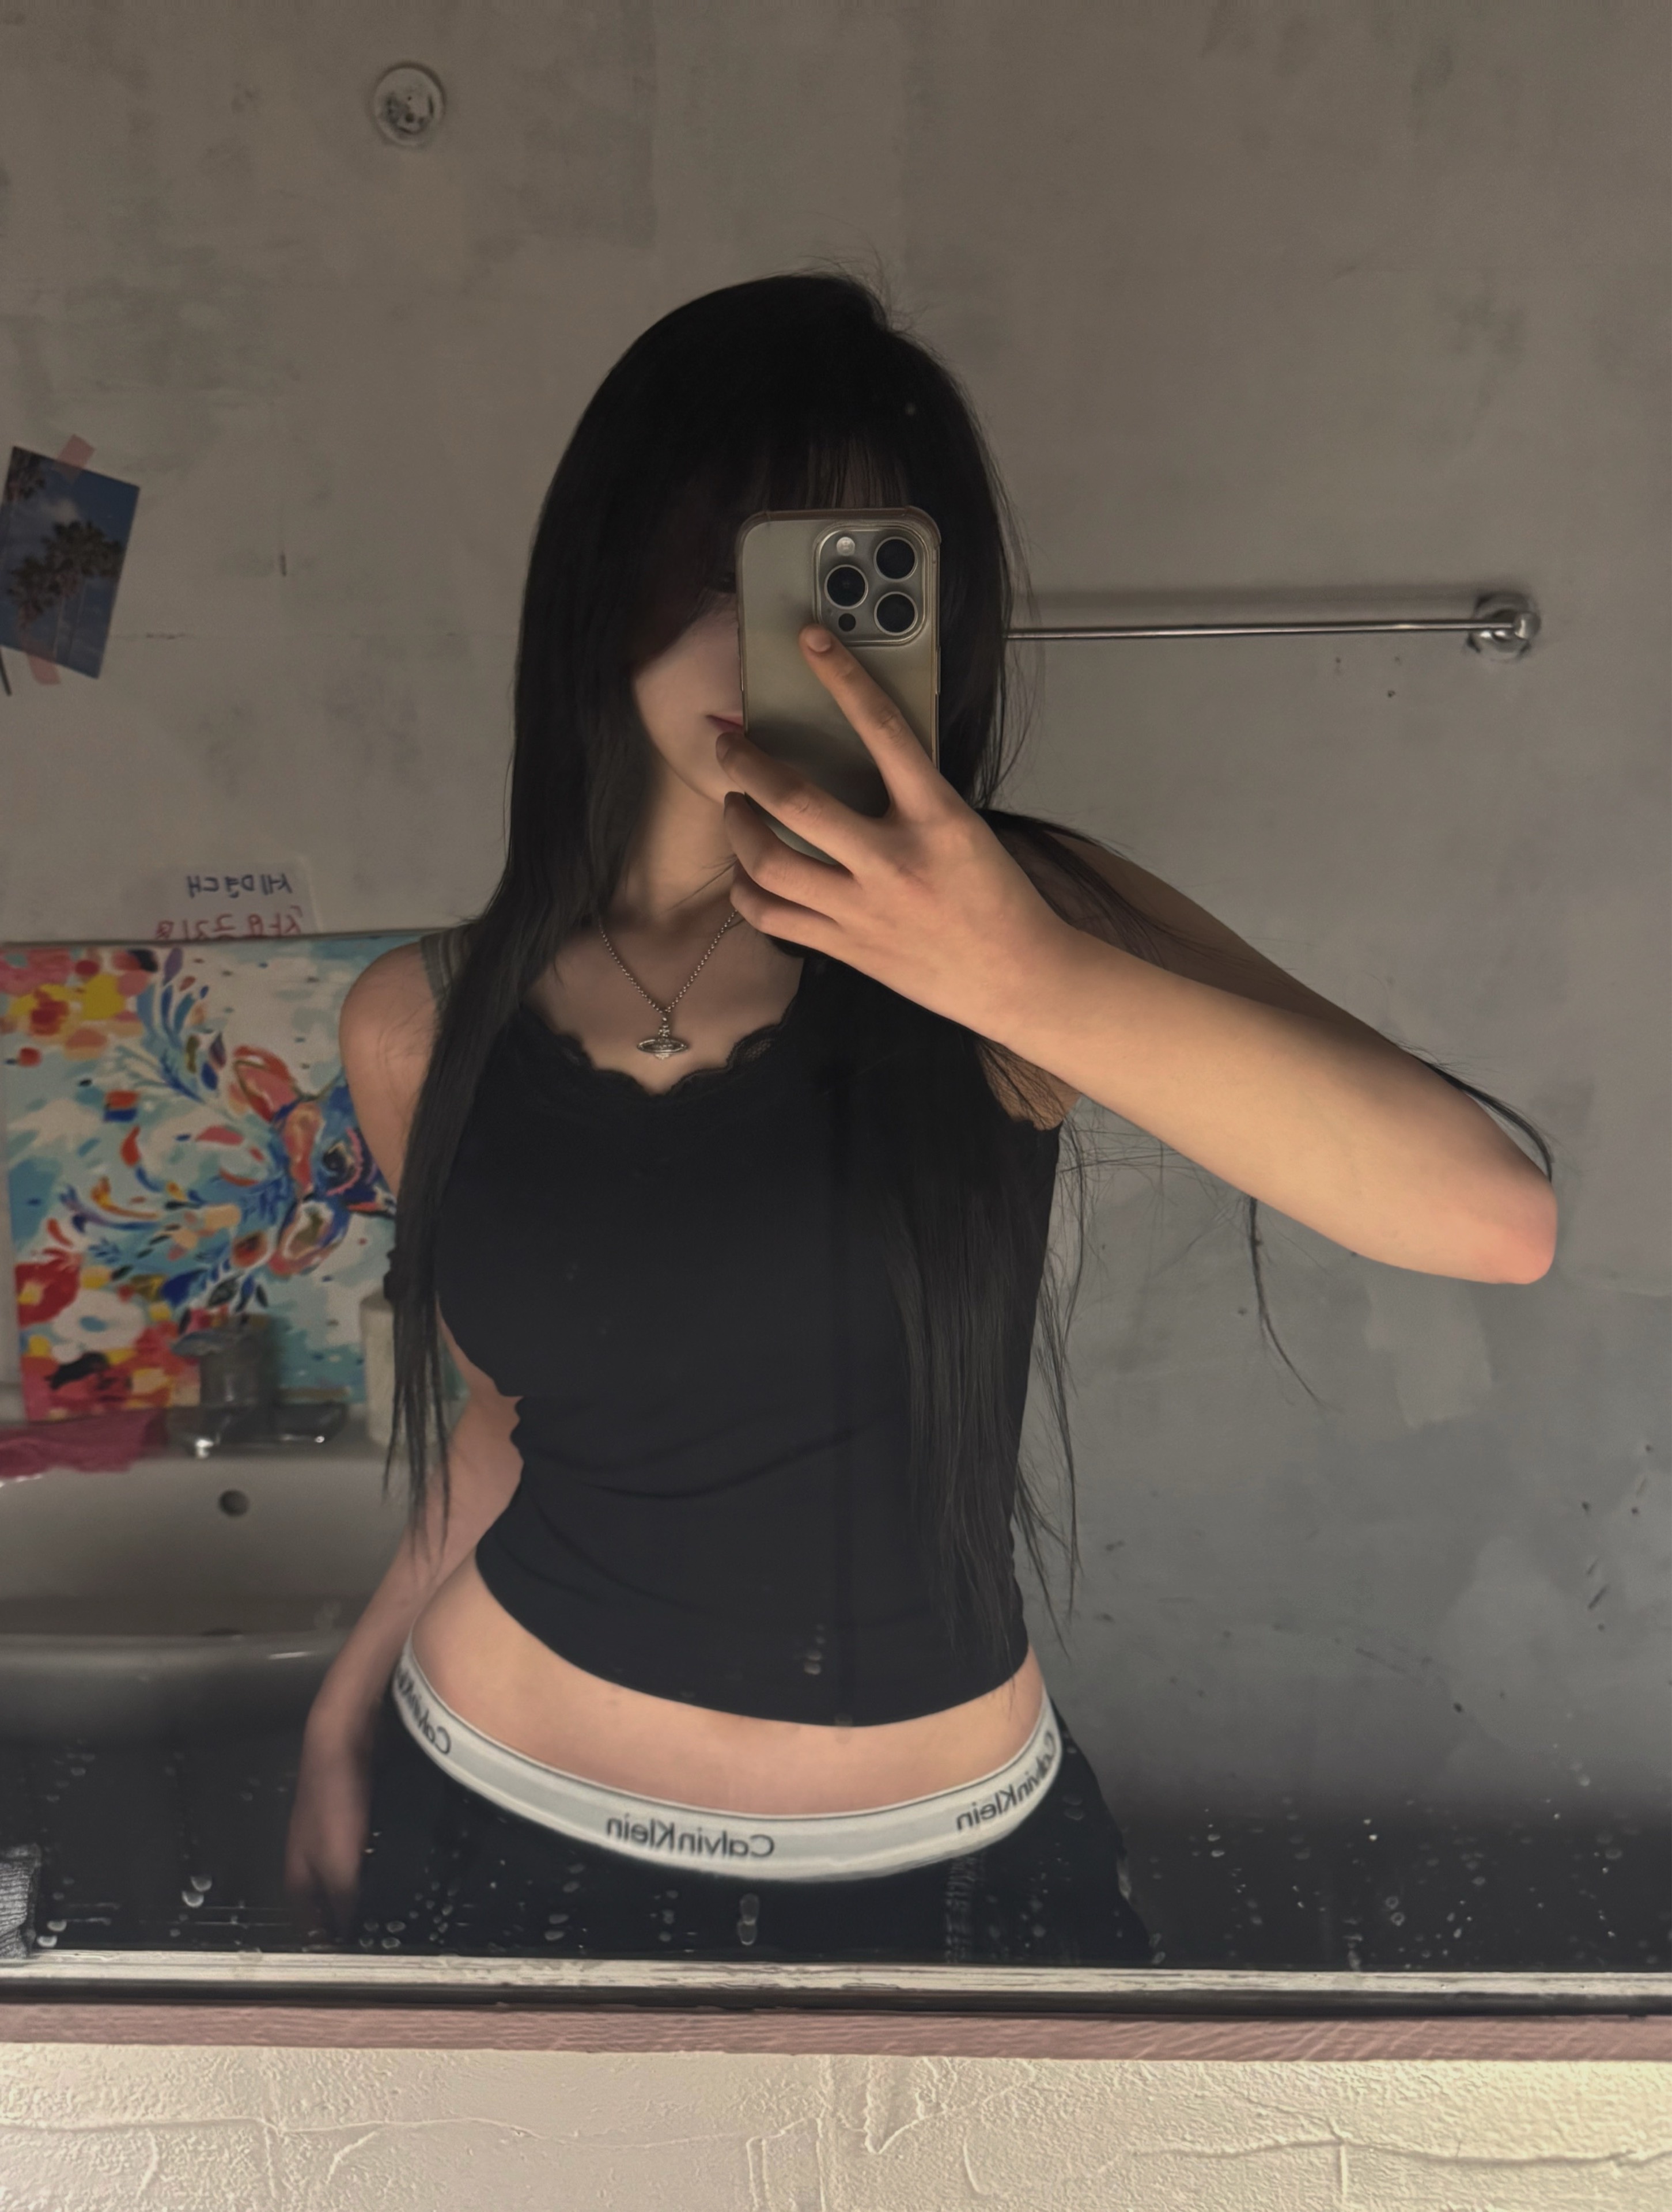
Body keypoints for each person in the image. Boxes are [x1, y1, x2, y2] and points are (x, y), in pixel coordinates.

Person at [283, 272, 1556, 1964]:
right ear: (605, 569)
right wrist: (342, 1702)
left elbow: (1493, 1217)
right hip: (487, 1813)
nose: (781, 640)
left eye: (843, 578)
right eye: (722, 560)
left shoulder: (1019, 925)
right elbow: (513, 1420)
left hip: (950, 1874)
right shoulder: (421, 1018)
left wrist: (1019, 974)